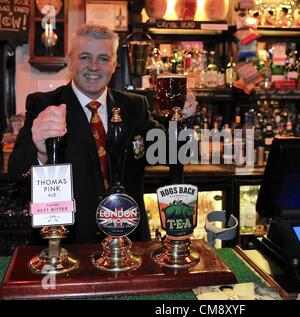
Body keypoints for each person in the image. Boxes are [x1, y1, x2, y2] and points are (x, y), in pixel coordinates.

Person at [8, 24, 196, 244]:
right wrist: (40, 150)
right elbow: (17, 172)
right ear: (70, 61)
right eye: (85, 57)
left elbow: (170, 154)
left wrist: (181, 120)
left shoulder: (135, 106)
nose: (94, 66)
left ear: (114, 65)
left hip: (129, 240)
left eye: (103, 59)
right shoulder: (45, 104)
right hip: (68, 243)